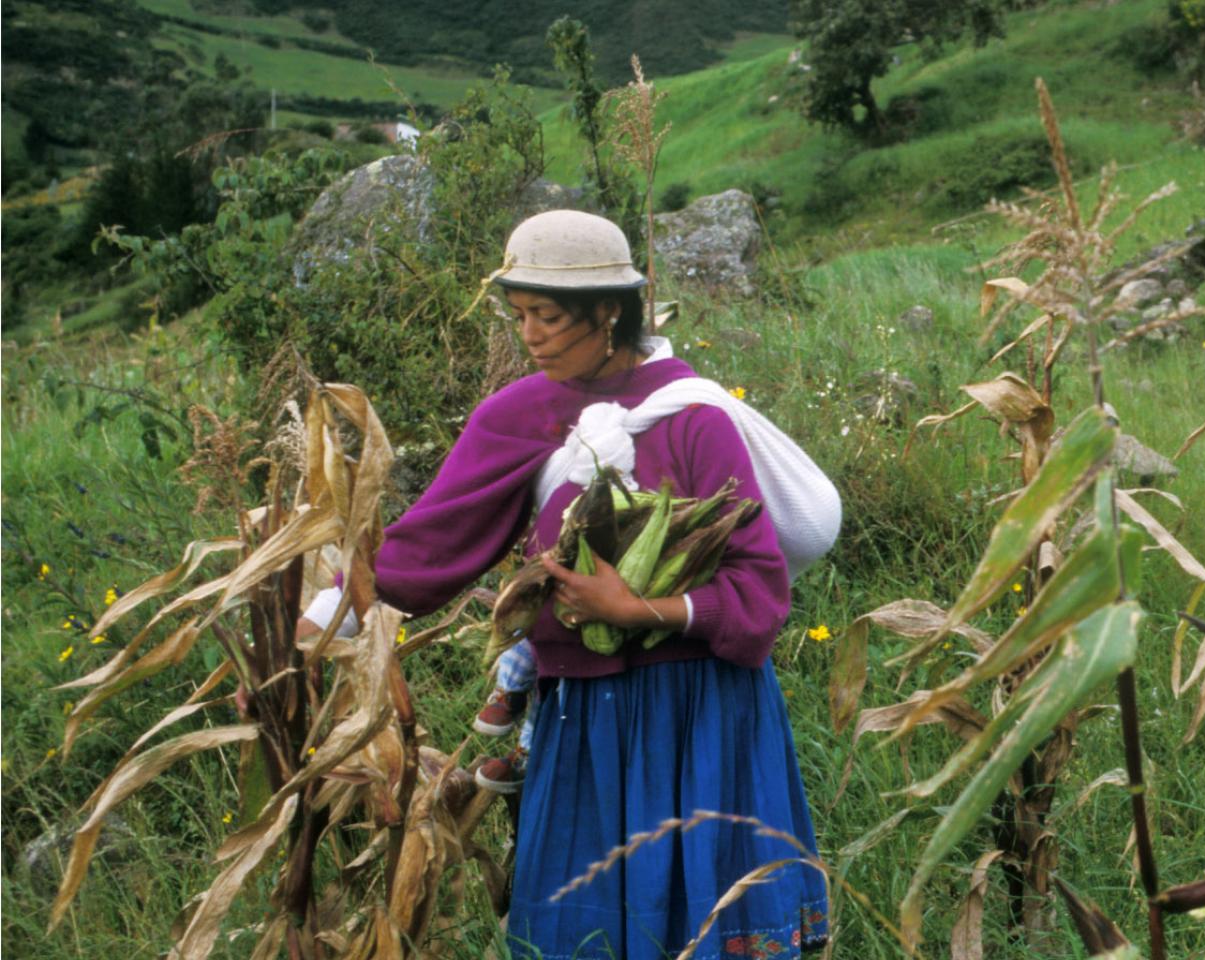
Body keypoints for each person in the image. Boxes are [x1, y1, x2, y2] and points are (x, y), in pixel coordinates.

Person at [297, 210, 830, 958]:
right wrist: (325, 620)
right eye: (520, 316)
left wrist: (639, 607)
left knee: (698, 916)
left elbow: (760, 593)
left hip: (699, 711)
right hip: (586, 717)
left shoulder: (694, 418)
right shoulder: (517, 416)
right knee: (584, 927)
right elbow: (435, 537)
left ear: (609, 310)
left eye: (547, 315)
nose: (530, 335)